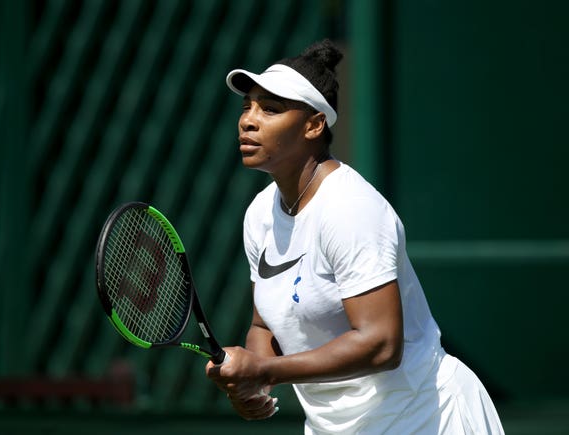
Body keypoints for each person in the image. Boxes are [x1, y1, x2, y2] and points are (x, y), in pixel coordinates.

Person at [205, 39, 504, 434]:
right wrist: (251, 383)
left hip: (424, 418)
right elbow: (265, 326)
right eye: (247, 107)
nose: (248, 120)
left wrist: (265, 369)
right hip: (335, 425)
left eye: (270, 109)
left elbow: (381, 343)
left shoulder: (350, 208)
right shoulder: (260, 214)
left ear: (314, 125)